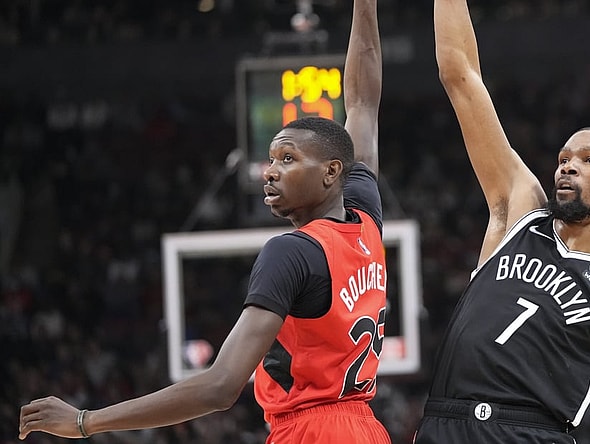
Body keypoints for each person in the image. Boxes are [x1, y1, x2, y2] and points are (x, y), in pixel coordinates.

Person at [18, 0, 391, 442]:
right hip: (365, 426)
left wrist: (86, 421)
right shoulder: (365, 216)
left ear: (331, 173)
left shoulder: (291, 251)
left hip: (311, 431)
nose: (269, 171)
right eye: (270, 159)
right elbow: (363, 103)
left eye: (287, 159)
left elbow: (219, 387)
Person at [413, 1, 590, 443]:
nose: (568, 167)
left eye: (589, 160)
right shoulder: (519, 211)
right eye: (564, 158)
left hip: (531, 433)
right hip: (443, 423)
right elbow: (460, 74)